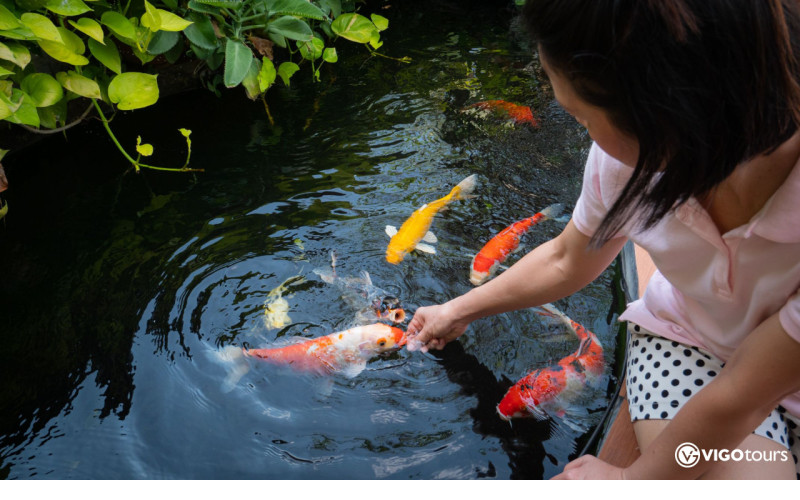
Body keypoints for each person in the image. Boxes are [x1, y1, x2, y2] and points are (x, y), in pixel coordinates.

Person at [406, 0, 800, 479]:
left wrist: (630, 481)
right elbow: (567, 257)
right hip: (692, 341)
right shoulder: (625, 162)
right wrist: (457, 309)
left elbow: (746, 393)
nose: (585, 134)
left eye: (583, 118)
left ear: (663, 115)